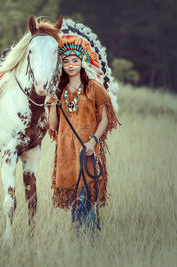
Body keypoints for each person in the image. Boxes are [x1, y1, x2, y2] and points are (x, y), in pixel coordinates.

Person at [46, 19, 120, 230]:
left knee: (86, 193)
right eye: (66, 61)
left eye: (75, 61)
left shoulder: (94, 87)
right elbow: (53, 127)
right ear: (62, 65)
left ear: (82, 62)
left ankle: (89, 235)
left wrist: (93, 141)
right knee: (74, 193)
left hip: (88, 149)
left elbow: (105, 119)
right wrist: (51, 105)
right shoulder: (59, 92)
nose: (70, 65)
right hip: (67, 152)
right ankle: (79, 235)